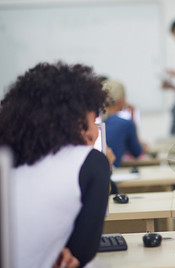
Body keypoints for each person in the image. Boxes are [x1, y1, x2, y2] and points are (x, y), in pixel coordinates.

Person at [0, 62, 110, 268]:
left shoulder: (7, 159)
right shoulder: (91, 163)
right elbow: (81, 253)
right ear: (78, 121)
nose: (95, 129)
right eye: (93, 119)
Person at [102, 79, 145, 168]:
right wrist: (132, 118)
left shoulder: (95, 121)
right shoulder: (125, 124)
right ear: (121, 100)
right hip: (112, 174)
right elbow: (137, 152)